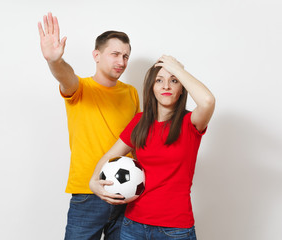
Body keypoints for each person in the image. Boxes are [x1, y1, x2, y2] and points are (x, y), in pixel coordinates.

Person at [38, 12, 140, 239]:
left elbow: (135, 140)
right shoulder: (80, 88)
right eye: (115, 54)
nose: (121, 61)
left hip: (127, 193)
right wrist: (54, 60)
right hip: (88, 192)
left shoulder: (131, 93)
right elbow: (66, 77)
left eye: (125, 56)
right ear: (96, 55)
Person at [90, 55, 215, 240]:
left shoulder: (191, 123)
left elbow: (207, 101)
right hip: (133, 225)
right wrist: (93, 181)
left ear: (182, 89)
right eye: (159, 80)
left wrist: (178, 68)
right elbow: (110, 156)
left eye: (174, 81)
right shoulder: (139, 122)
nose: (166, 86)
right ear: (152, 88)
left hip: (174, 230)